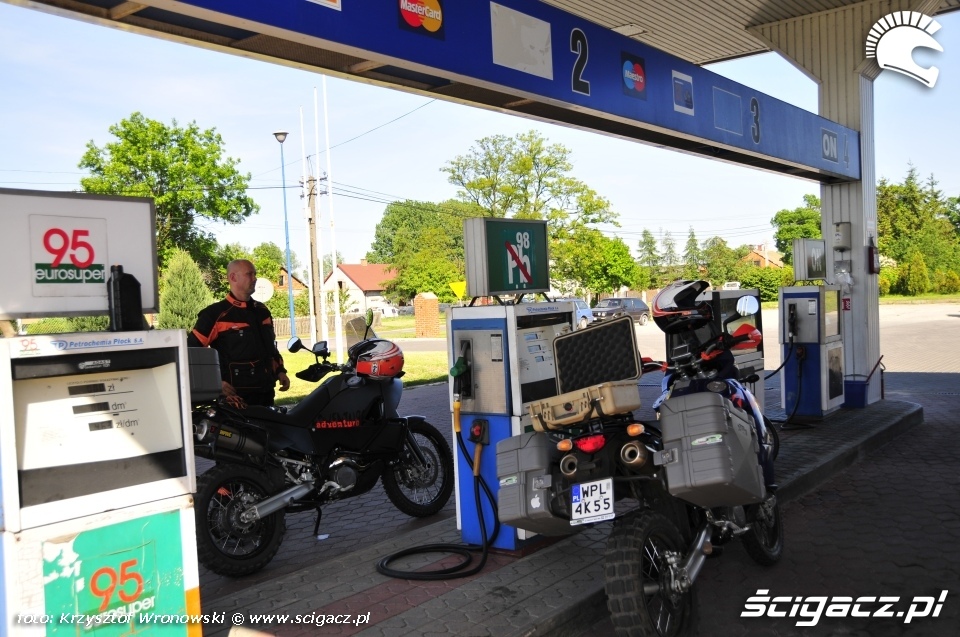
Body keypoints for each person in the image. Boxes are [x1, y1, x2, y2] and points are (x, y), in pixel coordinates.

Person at [188, 259, 290, 407]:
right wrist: (215, 382)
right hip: (235, 399)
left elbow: (270, 348)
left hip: (266, 394)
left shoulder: (262, 311)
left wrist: (280, 371)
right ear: (233, 277)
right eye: (249, 274)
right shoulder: (214, 314)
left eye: (255, 274)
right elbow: (191, 353)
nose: (255, 279)